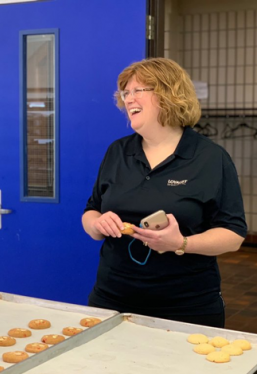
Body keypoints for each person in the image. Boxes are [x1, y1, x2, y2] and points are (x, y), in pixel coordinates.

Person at [81, 57, 247, 328]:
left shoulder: (210, 157)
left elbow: (233, 235)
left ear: (168, 95)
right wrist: (97, 223)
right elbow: (91, 210)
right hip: (111, 299)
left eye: (138, 91)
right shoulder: (117, 152)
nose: (128, 99)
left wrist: (181, 244)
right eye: (125, 93)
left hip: (187, 306)